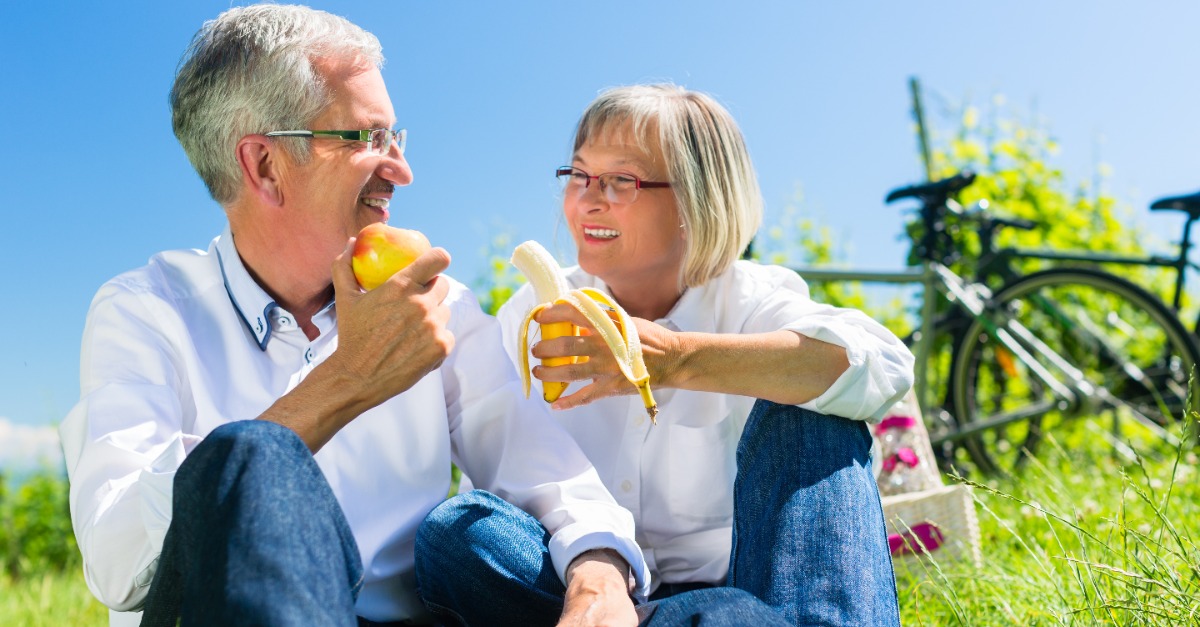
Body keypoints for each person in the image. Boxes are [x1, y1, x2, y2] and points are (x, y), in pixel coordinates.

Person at [59, 5, 666, 626]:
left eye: (395, 138)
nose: (401, 170)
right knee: (248, 457)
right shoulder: (146, 311)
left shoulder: (437, 305)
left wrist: (597, 583)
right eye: (369, 139)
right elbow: (117, 564)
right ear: (265, 165)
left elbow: (548, 473)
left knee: (706, 612)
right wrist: (345, 381)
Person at [494, 84, 916, 625]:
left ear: (697, 199)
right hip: (580, 589)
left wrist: (678, 358)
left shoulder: (750, 297)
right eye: (578, 175)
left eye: (621, 180)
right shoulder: (530, 314)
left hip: (747, 584)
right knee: (461, 534)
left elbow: (882, 365)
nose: (586, 200)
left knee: (815, 411)